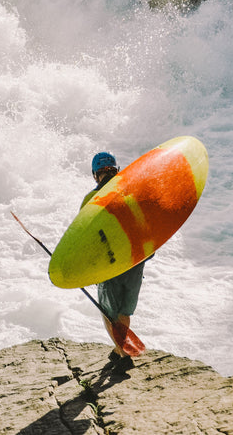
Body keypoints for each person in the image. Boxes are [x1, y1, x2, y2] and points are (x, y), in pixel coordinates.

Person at [85, 151, 148, 357]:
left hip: (109, 265)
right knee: (123, 311)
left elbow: (85, 236)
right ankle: (119, 349)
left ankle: (122, 355)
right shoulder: (133, 194)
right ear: (117, 170)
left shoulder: (91, 199)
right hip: (134, 262)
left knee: (109, 312)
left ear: (95, 175)